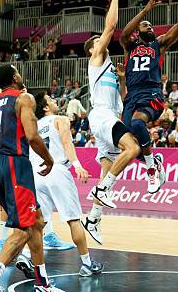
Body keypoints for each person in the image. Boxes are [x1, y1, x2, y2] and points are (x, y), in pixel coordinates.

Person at [0, 64, 62, 292]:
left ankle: (43, 283)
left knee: (37, 221)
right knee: (24, 228)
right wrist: (49, 159)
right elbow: (32, 136)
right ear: (14, 77)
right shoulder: (23, 98)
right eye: (18, 72)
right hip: (15, 164)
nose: (21, 75)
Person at [119, 0, 178, 193]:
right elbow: (123, 34)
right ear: (138, 31)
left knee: (137, 124)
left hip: (150, 92)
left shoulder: (159, 44)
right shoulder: (130, 46)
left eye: (151, 26)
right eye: (146, 25)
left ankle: (152, 169)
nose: (150, 27)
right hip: (132, 96)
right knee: (129, 145)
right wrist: (145, 10)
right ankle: (154, 162)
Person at [82, 0, 141, 243]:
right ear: (92, 49)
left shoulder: (108, 70)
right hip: (101, 115)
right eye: (97, 40)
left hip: (109, 115)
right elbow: (111, 26)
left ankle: (93, 218)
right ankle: (103, 191)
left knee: (108, 168)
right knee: (133, 148)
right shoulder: (95, 59)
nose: (101, 41)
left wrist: (122, 78)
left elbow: (124, 98)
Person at [32, 93, 103, 276]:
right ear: (46, 107)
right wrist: (78, 165)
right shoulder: (60, 119)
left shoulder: (32, 126)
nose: (55, 101)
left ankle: (32, 263)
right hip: (56, 170)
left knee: (38, 223)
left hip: (37, 174)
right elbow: (66, 142)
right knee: (73, 220)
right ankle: (87, 264)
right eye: (51, 100)